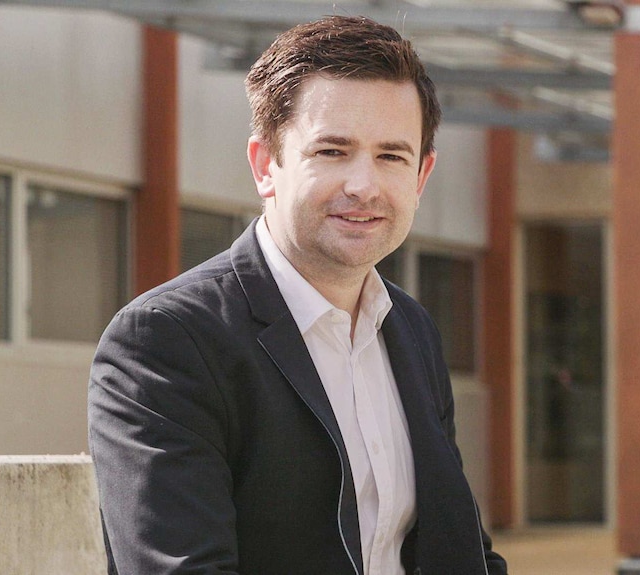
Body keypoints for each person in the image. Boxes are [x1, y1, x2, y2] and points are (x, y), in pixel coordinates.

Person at [88, 15, 508, 575]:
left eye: (391, 156)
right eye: (332, 151)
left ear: (421, 175)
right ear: (266, 165)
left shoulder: (410, 328)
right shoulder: (166, 340)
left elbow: (459, 548)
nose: (364, 185)